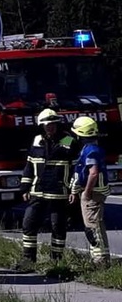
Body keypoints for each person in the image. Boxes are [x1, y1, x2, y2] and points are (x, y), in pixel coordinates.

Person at [18, 109, 75, 268]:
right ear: (42, 125)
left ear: (57, 124)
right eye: (47, 125)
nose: (50, 127)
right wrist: (24, 188)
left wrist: (73, 190)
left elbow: (74, 168)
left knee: (58, 227)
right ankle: (28, 260)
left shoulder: (68, 141)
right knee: (28, 224)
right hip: (38, 191)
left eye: (52, 124)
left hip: (59, 193)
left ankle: (56, 262)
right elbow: (29, 165)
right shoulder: (37, 140)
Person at [70, 116, 111, 266]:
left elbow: (93, 173)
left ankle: (100, 260)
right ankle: (101, 258)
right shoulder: (92, 149)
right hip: (94, 192)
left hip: (93, 194)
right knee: (95, 226)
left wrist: (86, 193)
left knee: (93, 227)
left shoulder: (91, 151)